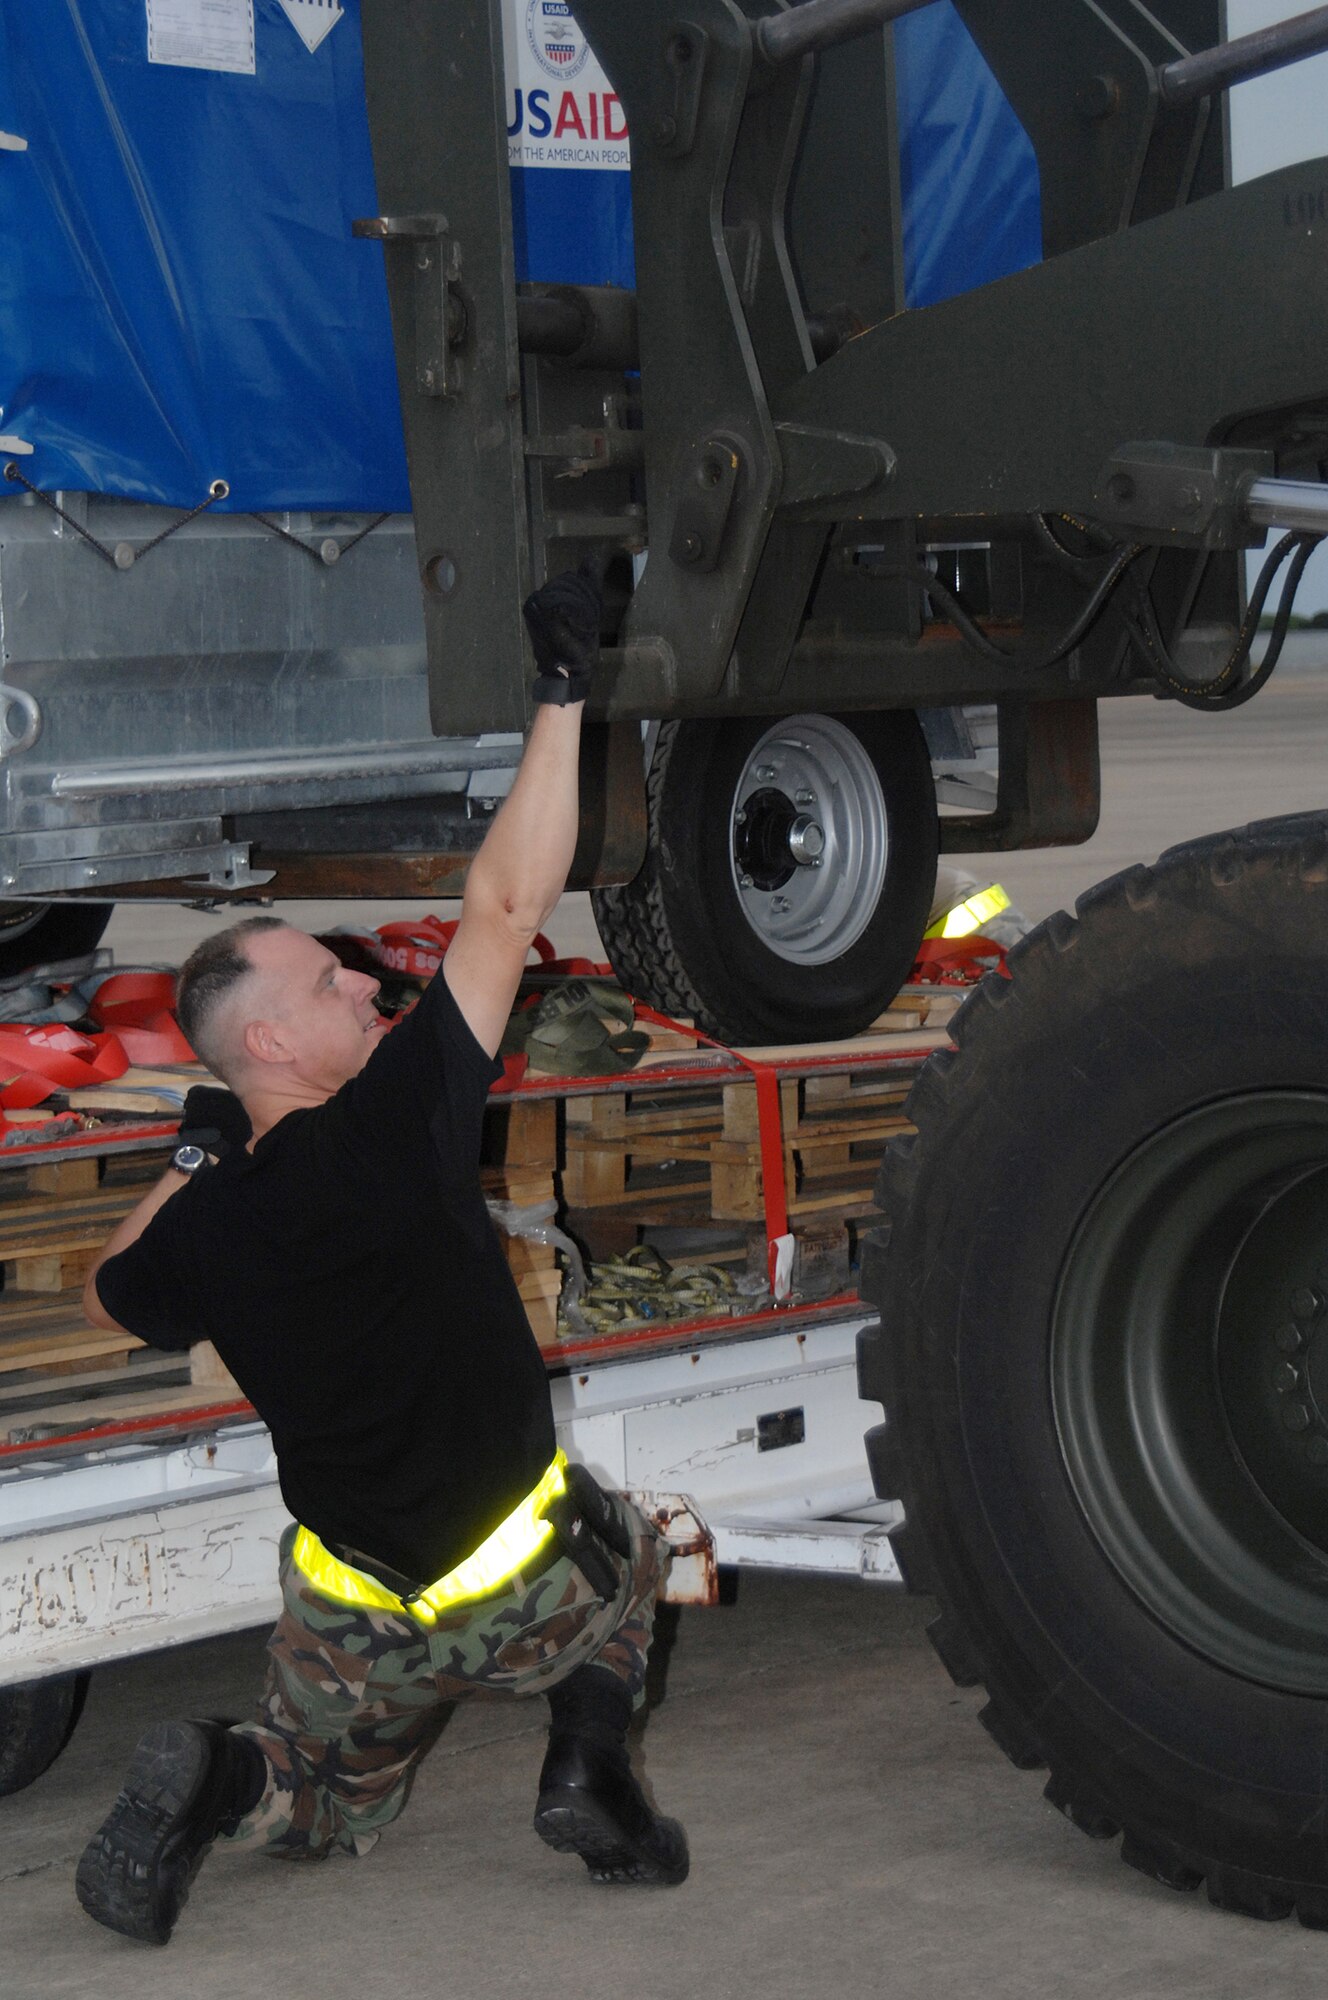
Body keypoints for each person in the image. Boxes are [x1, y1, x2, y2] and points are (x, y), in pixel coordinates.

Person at [73, 566, 688, 1948]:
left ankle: (233, 1770)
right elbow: (508, 898)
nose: (364, 981)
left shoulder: (215, 1221)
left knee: (321, 1802)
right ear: (279, 1046)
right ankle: (587, 1763)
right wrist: (561, 693)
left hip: (352, 1601)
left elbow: (114, 1293)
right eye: (329, 983)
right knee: (636, 1556)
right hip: (517, 1583)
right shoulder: (403, 1124)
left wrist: (196, 1149)